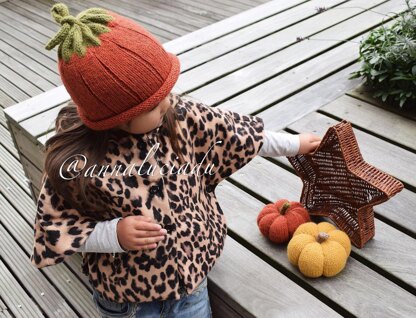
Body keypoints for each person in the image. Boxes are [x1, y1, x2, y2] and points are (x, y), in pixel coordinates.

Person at [29, 3, 322, 318]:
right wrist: (114, 234)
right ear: (117, 119)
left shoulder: (177, 115)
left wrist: (294, 143)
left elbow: (235, 132)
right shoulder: (79, 163)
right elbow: (57, 228)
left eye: (166, 91)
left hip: (187, 283)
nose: (168, 102)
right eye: (154, 105)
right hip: (126, 296)